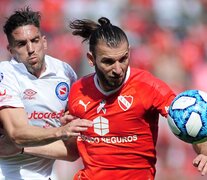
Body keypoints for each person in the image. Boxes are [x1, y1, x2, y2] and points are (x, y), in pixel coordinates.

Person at [64, 17, 176, 180]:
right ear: (91, 59)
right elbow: (73, 151)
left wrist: (204, 152)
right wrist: (23, 147)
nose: (118, 69)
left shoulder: (149, 87)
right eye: (108, 62)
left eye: (123, 59)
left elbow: (188, 119)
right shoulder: (78, 91)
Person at [0, 7, 92, 180]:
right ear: (10, 50)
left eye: (34, 40)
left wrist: (23, 147)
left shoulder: (65, 73)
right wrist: (60, 132)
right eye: (21, 44)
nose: (31, 49)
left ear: (44, 42)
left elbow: (72, 152)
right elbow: (17, 134)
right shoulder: (5, 73)